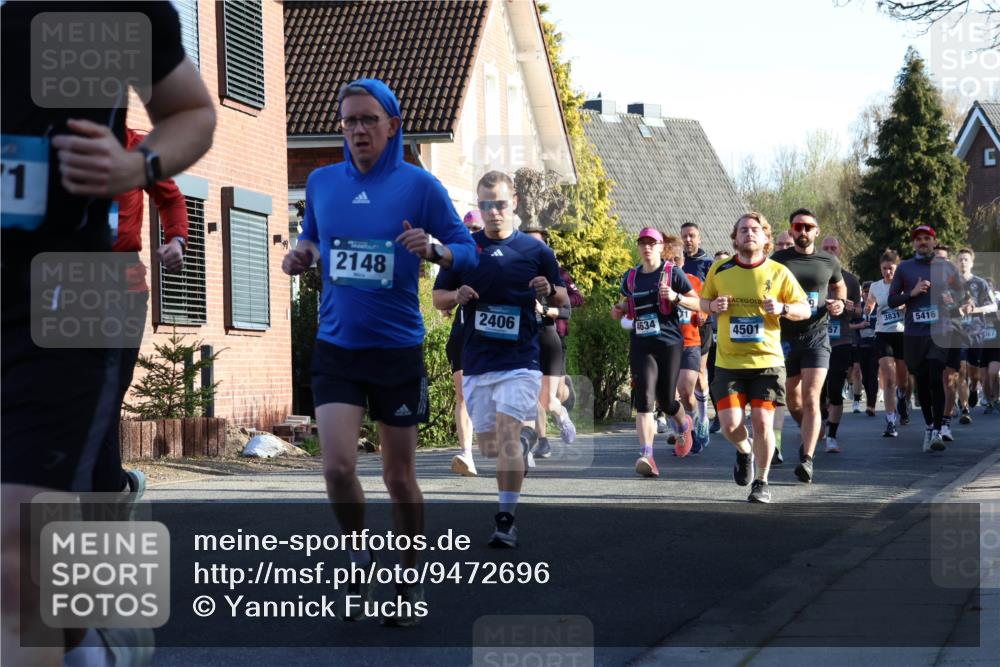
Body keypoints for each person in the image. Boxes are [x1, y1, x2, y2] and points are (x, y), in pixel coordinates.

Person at [2, 2, 216, 664]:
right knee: (61, 495)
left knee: (16, 533)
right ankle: (93, 633)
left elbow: (192, 114)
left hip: (77, 289)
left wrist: (137, 169)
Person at [284, 79, 477, 623]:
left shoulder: (420, 186)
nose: (358, 130)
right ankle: (357, 551)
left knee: (397, 476)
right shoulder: (321, 182)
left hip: (396, 348)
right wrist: (301, 254)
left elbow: (468, 252)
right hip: (337, 345)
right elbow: (314, 237)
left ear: (393, 125)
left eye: (368, 119)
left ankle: (409, 574)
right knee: (338, 467)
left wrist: (436, 248)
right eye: (348, 121)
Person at [433, 170, 566, 548]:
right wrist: (456, 294)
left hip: (521, 359)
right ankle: (518, 449)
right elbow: (437, 298)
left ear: (514, 205)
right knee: (491, 446)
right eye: (485, 205)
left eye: (500, 204)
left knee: (507, 438)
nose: (493, 212)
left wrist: (549, 288)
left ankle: (505, 519)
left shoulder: (536, 251)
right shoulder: (463, 249)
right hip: (477, 362)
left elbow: (562, 299)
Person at [94, 127, 189, 502]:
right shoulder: (55, 143)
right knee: (79, 393)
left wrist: (177, 239)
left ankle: (111, 487)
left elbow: (171, 199)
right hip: (67, 283)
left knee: (108, 391)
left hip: (123, 287)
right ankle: (113, 485)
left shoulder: (138, 147)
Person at [700, 212, 810, 503]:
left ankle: (761, 482)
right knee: (730, 426)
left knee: (763, 422)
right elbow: (701, 301)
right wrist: (712, 304)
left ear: (765, 238)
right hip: (729, 364)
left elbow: (805, 309)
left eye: (755, 230)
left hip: (767, 363)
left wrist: (783, 309)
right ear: (735, 238)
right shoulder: (720, 270)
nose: (749, 233)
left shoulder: (778, 272)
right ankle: (744, 451)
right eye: (743, 230)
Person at [611, 229, 701, 478]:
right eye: (643, 243)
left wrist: (675, 297)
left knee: (666, 400)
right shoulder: (630, 277)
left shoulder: (672, 273)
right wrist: (617, 310)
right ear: (638, 247)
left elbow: (698, 303)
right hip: (641, 343)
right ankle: (647, 454)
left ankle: (684, 424)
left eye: (652, 243)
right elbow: (623, 304)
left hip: (669, 343)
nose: (647, 247)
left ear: (661, 247)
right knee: (645, 399)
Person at [770, 209, 847, 484]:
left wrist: (838, 303)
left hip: (817, 336)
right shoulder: (778, 261)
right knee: (793, 399)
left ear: (816, 231)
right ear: (791, 231)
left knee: (812, 396)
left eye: (808, 227)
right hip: (787, 338)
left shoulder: (828, 260)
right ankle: (809, 430)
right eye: (797, 226)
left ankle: (808, 458)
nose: (802, 231)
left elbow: (839, 287)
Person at [886, 225, 964, 452]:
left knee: (935, 376)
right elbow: (891, 301)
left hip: (940, 332)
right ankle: (930, 426)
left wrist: (953, 299)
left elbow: (961, 293)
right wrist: (912, 293)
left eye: (927, 238)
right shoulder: (905, 269)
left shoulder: (947, 267)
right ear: (913, 243)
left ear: (934, 241)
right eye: (918, 239)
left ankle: (938, 430)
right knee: (921, 380)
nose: (922, 242)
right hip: (913, 334)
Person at [520, 224, 576, 459]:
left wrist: (544, 309)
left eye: (538, 244)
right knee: (529, 397)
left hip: (548, 337)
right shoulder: (516, 273)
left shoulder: (555, 275)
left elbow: (567, 311)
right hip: (523, 340)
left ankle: (561, 414)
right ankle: (532, 444)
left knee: (546, 399)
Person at [448, 210, 485, 477]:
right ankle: (467, 454)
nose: (471, 234)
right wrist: (453, 298)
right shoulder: (456, 261)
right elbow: (441, 299)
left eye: (475, 229)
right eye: (467, 229)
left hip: (493, 336)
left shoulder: (497, 258)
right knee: (462, 394)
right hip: (462, 332)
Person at [818, 235, 862, 454]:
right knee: (816, 392)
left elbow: (860, 311)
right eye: (825, 247)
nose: (829, 250)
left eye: (833, 247)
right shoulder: (813, 276)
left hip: (841, 341)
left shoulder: (850, 280)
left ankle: (832, 436)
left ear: (839, 251)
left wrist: (850, 308)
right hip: (814, 342)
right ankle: (822, 420)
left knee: (834, 390)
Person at [671, 236, 710, 453]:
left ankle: (697, 421)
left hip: (691, 341)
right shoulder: (659, 283)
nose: (674, 264)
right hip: (667, 344)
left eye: (677, 260)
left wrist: (703, 314)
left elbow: (704, 305)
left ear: (683, 261)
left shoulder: (694, 282)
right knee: (670, 396)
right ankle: (683, 431)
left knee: (687, 390)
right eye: (669, 260)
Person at [866, 249, 909, 436]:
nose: (887, 272)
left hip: (902, 334)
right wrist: (867, 309)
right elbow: (869, 304)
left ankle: (903, 399)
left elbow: (915, 305)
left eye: (891, 269)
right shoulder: (876, 286)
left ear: (897, 268)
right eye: (884, 269)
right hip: (883, 334)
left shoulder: (906, 285)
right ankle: (891, 421)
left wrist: (905, 305)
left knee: (903, 380)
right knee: (889, 378)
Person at [954, 248, 998, 425]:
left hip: (977, 333)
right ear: (956, 263)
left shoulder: (980, 284)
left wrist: (976, 309)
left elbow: (993, 307)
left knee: (974, 373)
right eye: (960, 260)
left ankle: (973, 388)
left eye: (966, 260)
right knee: (961, 369)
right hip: (957, 332)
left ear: (971, 263)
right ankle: (964, 408)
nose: (963, 262)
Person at [681, 222, 715, 443]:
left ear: (699, 238)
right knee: (681, 381)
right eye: (684, 236)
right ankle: (685, 423)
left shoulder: (709, 265)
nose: (688, 240)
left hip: (701, 324)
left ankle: (702, 419)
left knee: (701, 374)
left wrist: (704, 309)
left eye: (692, 236)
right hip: (679, 327)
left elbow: (714, 293)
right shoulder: (677, 264)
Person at [933, 245, 963, 442]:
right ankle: (933, 423)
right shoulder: (925, 280)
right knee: (933, 380)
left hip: (952, 332)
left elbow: (961, 304)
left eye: (944, 259)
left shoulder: (956, 280)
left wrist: (954, 302)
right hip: (930, 334)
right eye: (937, 259)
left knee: (949, 380)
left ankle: (945, 423)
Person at [707, 250, 731, 435]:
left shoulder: (735, 283)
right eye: (716, 263)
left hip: (735, 341)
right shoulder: (711, 285)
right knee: (713, 379)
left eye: (723, 263)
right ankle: (717, 414)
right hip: (713, 337)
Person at [850, 282, 880, 417]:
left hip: (875, 345)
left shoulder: (879, 306)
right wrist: (860, 325)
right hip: (859, 345)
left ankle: (871, 405)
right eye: (865, 291)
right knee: (863, 375)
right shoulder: (858, 308)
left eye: (869, 291)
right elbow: (848, 325)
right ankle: (860, 398)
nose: (867, 294)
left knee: (872, 375)